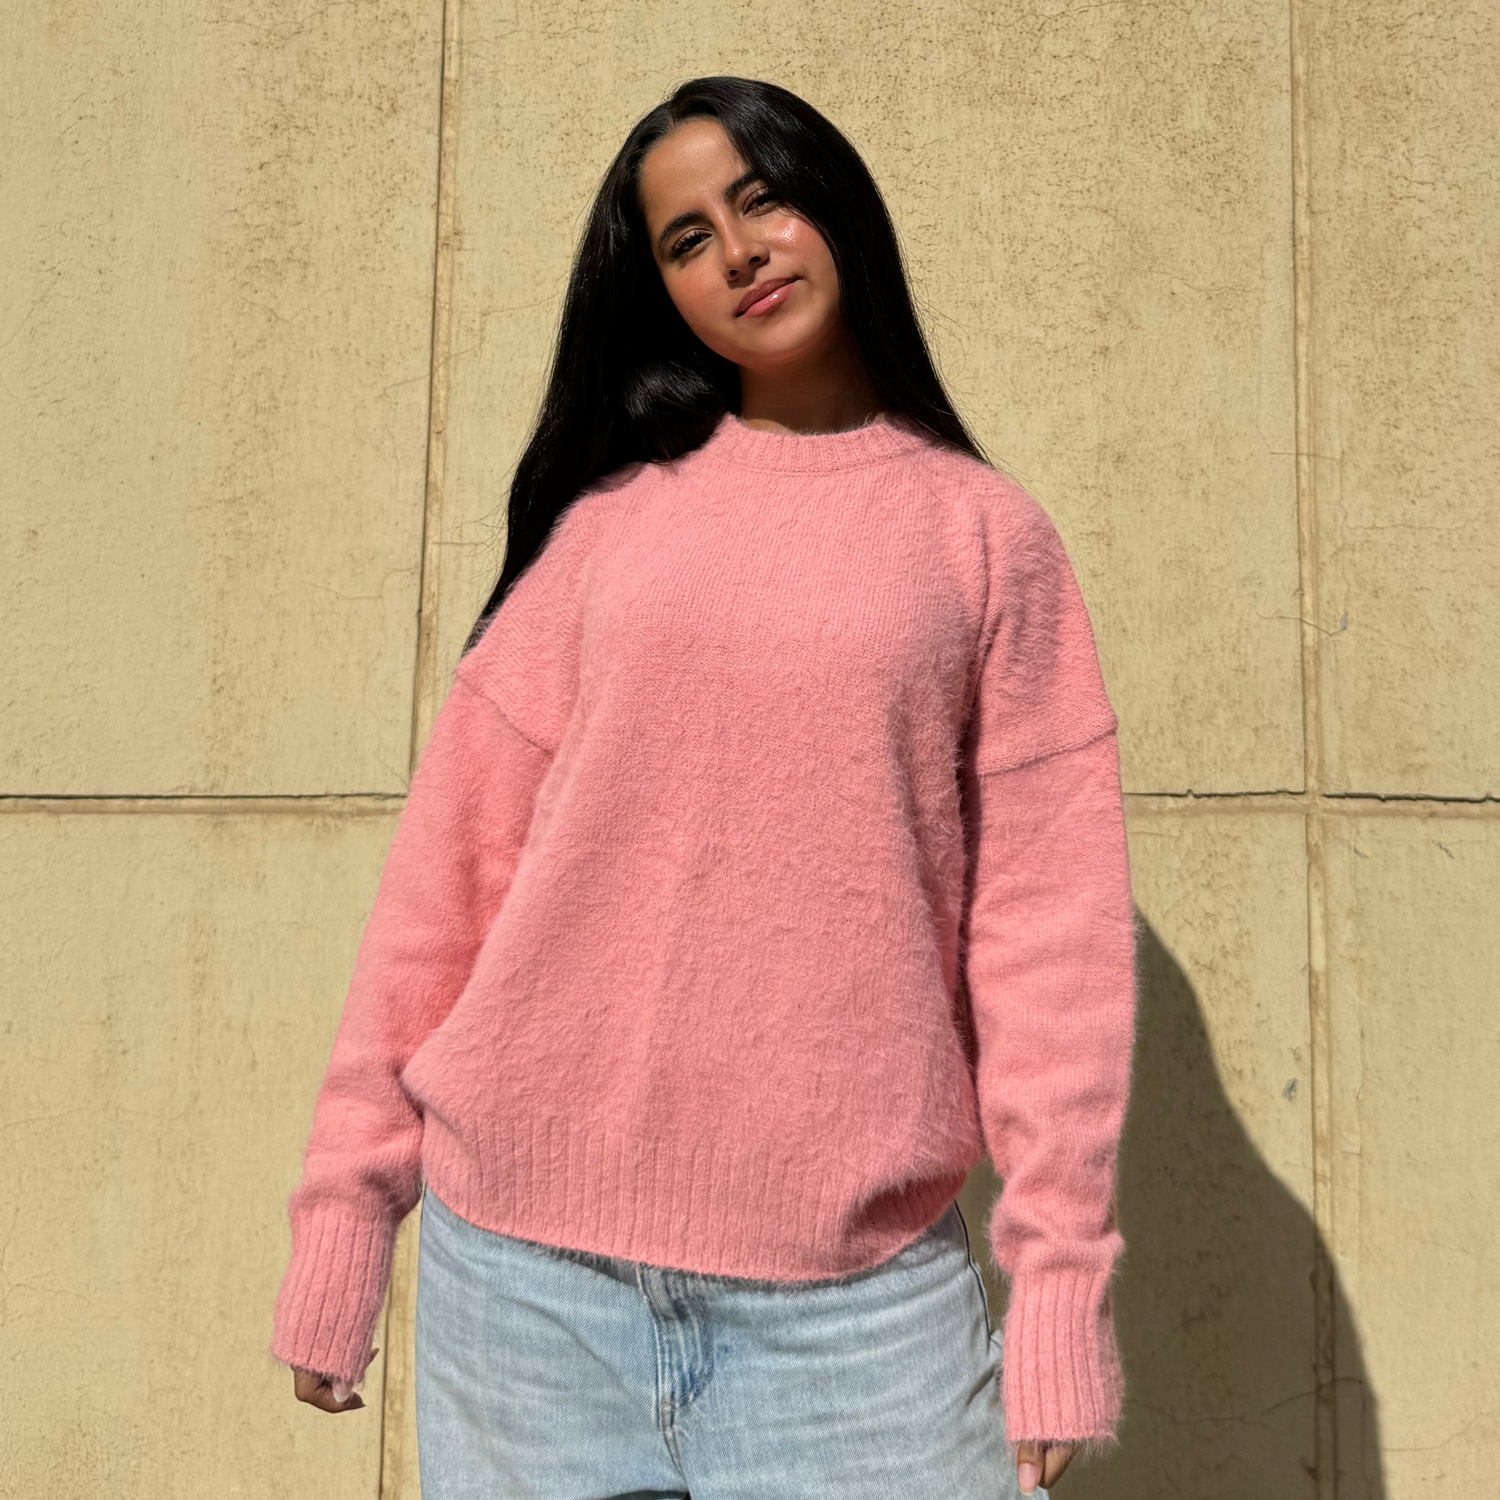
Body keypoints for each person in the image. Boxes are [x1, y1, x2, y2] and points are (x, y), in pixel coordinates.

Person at [270, 75, 1138, 1500]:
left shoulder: (986, 544)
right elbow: (448, 886)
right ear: (661, 293)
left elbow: (1050, 959)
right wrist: (349, 1212)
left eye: (761, 198)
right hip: (528, 1298)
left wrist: (1057, 1295)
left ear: (834, 205)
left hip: (853, 1319)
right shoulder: (608, 533)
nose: (737, 253)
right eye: (685, 240)